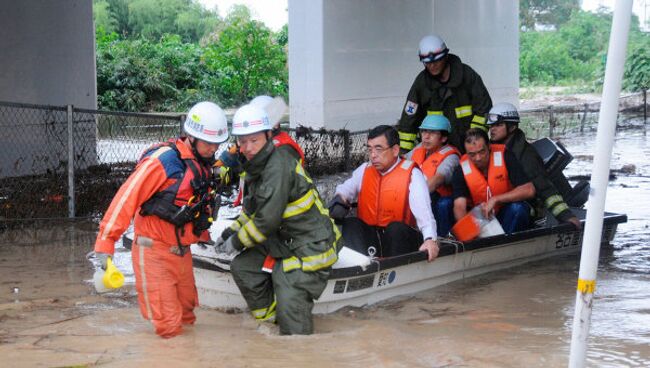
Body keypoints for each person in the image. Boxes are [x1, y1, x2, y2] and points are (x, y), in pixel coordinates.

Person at [94, 101, 229, 338]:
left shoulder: (205, 163)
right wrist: (105, 244)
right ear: (191, 136)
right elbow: (126, 198)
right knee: (169, 327)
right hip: (153, 251)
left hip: (182, 253)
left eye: (217, 144)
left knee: (188, 317)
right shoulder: (162, 162)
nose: (213, 149)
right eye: (208, 143)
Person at [214, 104, 340, 335]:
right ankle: (271, 326)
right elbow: (252, 212)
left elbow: (265, 222)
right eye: (242, 142)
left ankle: (295, 343)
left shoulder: (277, 165)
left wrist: (234, 243)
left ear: (268, 136)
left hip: (311, 243)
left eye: (254, 141)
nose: (248, 148)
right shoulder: (255, 166)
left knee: (289, 290)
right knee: (242, 267)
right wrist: (228, 233)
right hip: (284, 239)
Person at [329, 125, 439, 262]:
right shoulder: (364, 170)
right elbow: (345, 189)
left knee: (395, 229)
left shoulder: (413, 174)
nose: (373, 155)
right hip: (374, 237)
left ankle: (395, 272)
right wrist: (340, 198)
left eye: (378, 149)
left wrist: (430, 239)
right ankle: (359, 266)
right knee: (351, 223)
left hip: (402, 239)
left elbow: (425, 213)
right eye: (370, 149)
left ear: (395, 150)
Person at [487, 103, 581, 229]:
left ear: (512, 127)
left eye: (498, 125)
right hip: (494, 206)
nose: (492, 129)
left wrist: (566, 216)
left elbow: (545, 188)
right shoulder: (488, 150)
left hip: (520, 208)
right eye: (491, 125)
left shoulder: (526, 155)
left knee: (517, 209)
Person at [398, 34, 492, 154]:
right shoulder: (421, 83)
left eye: (436, 61)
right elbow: (408, 121)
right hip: (438, 151)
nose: (432, 66)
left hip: (470, 149)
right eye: (427, 63)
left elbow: (484, 109)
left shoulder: (467, 76)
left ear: (446, 56)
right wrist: (403, 153)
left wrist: (474, 138)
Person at [451, 128, 535, 234]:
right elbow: (459, 206)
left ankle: (507, 246)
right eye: (472, 154)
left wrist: (496, 199)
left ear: (489, 146)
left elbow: (529, 190)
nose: (478, 158)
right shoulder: (461, 169)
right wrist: (467, 230)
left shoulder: (505, 155)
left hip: (506, 212)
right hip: (481, 219)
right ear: (466, 153)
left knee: (518, 208)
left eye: (482, 152)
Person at [410, 115, 460, 236]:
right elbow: (400, 161)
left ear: (443, 138)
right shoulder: (420, 148)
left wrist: (413, 196)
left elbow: (438, 179)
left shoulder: (451, 156)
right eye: (424, 131)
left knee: (444, 204)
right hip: (424, 200)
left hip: (442, 204)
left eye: (432, 133)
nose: (426, 136)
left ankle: (444, 239)